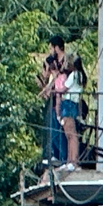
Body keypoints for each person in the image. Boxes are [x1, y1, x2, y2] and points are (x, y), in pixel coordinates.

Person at [40, 35, 67, 165]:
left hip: (61, 96)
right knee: (52, 128)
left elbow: (58, 77)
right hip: (54, 96)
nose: (50, 50)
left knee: (59, 128)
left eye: (51, 48)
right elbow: (46, 77)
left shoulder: (65, 61)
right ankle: (55, 154)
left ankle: (63, 156)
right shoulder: (52, 61)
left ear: (57, 47)